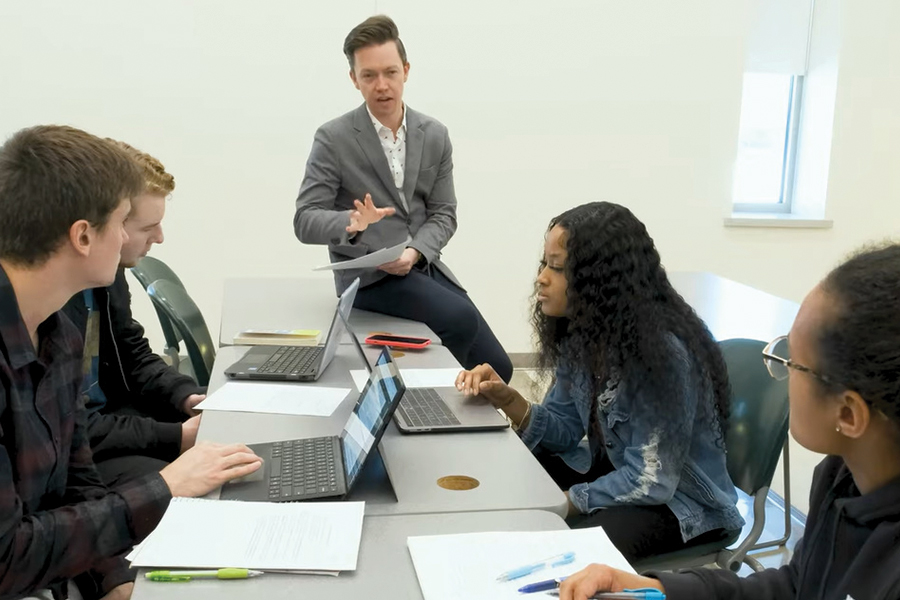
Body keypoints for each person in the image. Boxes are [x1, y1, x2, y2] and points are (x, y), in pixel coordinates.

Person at [0, 125, 262, 600]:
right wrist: (164, 486)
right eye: (123, 221)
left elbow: (75, 484)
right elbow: (7, 559)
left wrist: (114, 577)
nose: (129, 238)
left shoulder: (58, 329)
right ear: (83, 235)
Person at [557, 243, 900, 600]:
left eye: (793, 360)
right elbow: (796, 586)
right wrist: (656, 589)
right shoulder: (840, 477)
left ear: (848, 414)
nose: (780, 371)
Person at [456, 202, 743, 562]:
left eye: (557, 268)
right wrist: (508, 399)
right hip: (625, 475)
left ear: (599, 281)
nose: (542, 277)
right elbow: (563, 430)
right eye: (544, 264)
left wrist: (569, 500)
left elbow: (651, 481)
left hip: (683, 507)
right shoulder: (583, 336)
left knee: (569, 555)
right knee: (511, 473)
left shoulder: (663, 355)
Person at [293, 15, 513, 382]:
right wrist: (350, 223)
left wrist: (413, 253)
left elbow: (444, 213)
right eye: (369, 76)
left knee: (499, 369)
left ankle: (445, 402)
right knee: (460, 320)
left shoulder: (435, 134)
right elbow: (304, 220)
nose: (382, 85)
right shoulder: (333, 138)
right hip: (367, 277)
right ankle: (426, 401)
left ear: (406, 71)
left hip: (420, 264)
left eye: (390, 72)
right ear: (354, 79)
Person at [63, 140, 203, 488]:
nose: (159, 237)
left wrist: (185, 395)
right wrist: (175, 438)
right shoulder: (55, 301)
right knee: (188, 487)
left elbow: (132, 351)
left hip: (112, 419)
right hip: (80, 453)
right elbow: (70, 425)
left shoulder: (106, 275)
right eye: (146, 227)